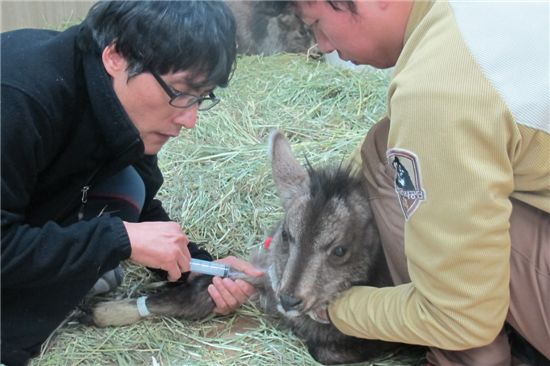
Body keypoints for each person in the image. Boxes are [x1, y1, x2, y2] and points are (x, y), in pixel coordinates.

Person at [274, 1, 549, 365]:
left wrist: (333, 310)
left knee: (398, 170)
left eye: (318, 23)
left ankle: (471, 359)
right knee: (387, 149)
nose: (322, 45)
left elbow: (461, 317)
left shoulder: (435, 89)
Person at [0, 2, 263, 365]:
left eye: (202, 98)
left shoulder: (112, 99)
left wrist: (196, 270)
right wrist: (115, 240)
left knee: (129, 184)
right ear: (116, 56)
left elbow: (141, 209)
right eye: (180, 92)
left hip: (24, 199)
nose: (190, 120)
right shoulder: (18, 99)